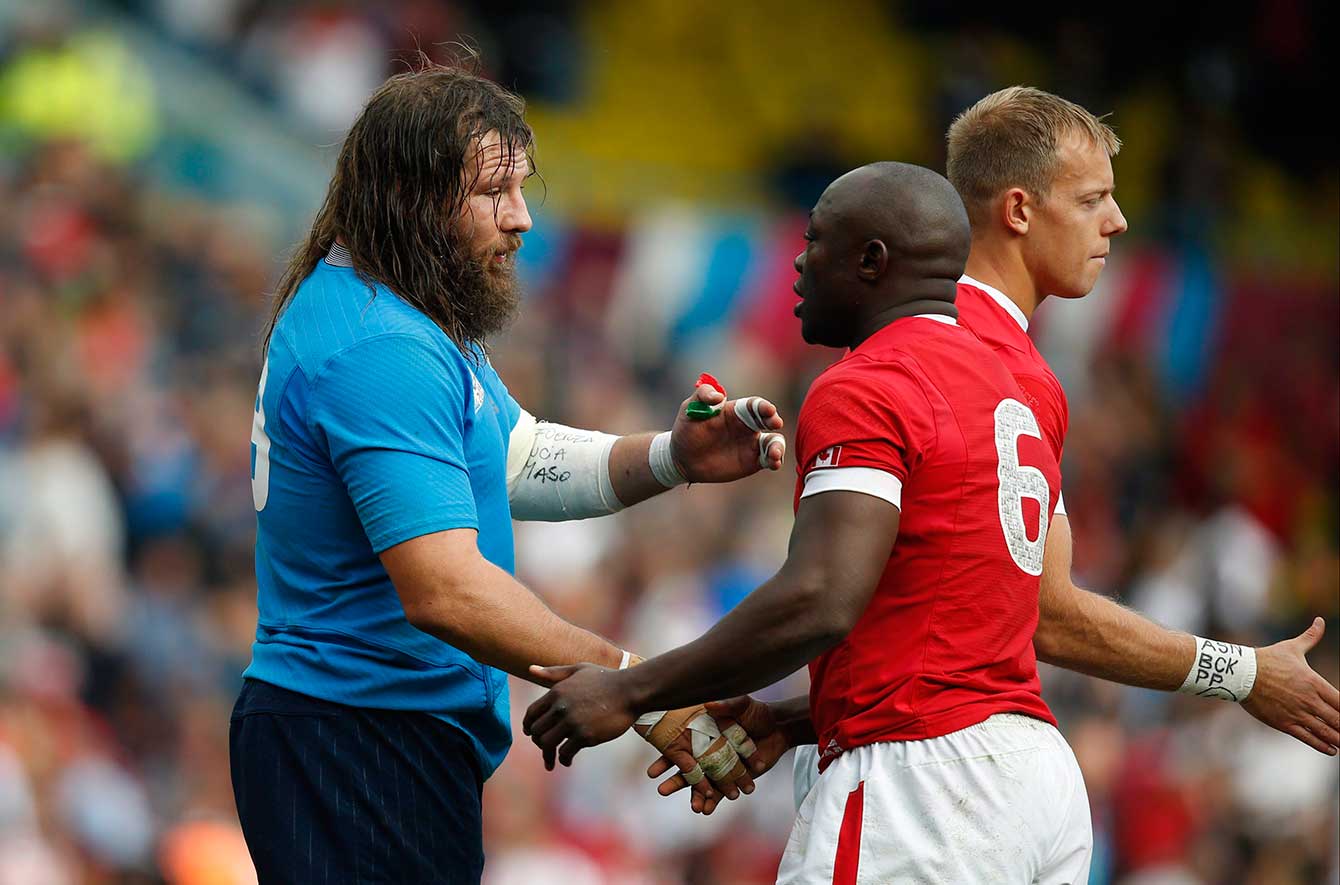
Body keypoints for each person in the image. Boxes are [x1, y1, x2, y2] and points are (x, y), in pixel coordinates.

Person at [230, 60, 785, 883]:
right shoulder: (382, 345)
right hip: (355, 739)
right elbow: (445, 589)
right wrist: (636, 687)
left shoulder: (397, 312)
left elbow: (516, 456)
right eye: (495, 192)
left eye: (521, 188)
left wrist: (672, 458)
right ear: (410, 196)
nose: (522, 218)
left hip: (367, 737)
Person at [525, 162, 1093, 883]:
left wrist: (629, 691)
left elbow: (822, 596)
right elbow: (954, 636)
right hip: (1036, 781)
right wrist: (794, 719)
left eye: (816, 240)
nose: (798, 263)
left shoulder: (872, 382)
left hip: (922, 792)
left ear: (871, 261)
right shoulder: (1017, 386)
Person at [774, 85, 1340, 807]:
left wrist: (653, 689)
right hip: (994, 774)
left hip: (925, 778)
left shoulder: (992, 365)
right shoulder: (999, 369)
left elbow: (1011, 614)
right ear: (1018, 211)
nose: (1118, 220)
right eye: (1092, 199)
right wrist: (1241, 672)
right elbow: (1031, 614)